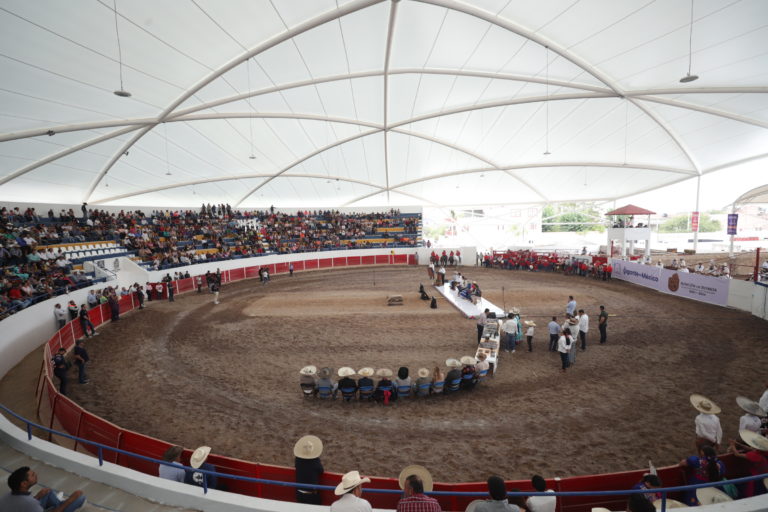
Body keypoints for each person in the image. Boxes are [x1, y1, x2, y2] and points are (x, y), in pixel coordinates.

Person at [0, 466, 86, 512]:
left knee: (48, 492)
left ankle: (57, 505)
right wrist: (70, 500)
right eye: (33, 475)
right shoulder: (30, 503)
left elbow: (23, 505)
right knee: (80, 498)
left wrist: (37, 496)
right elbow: (29, 504)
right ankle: (59, 506)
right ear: (24, 483)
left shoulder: (6, 496)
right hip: (33, 507)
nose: (36, 475)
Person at [294, 435, 324, 505]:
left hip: (299, 493)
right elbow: (321, 471)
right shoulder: (315, 460)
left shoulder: (297, 459)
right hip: (311, 494)